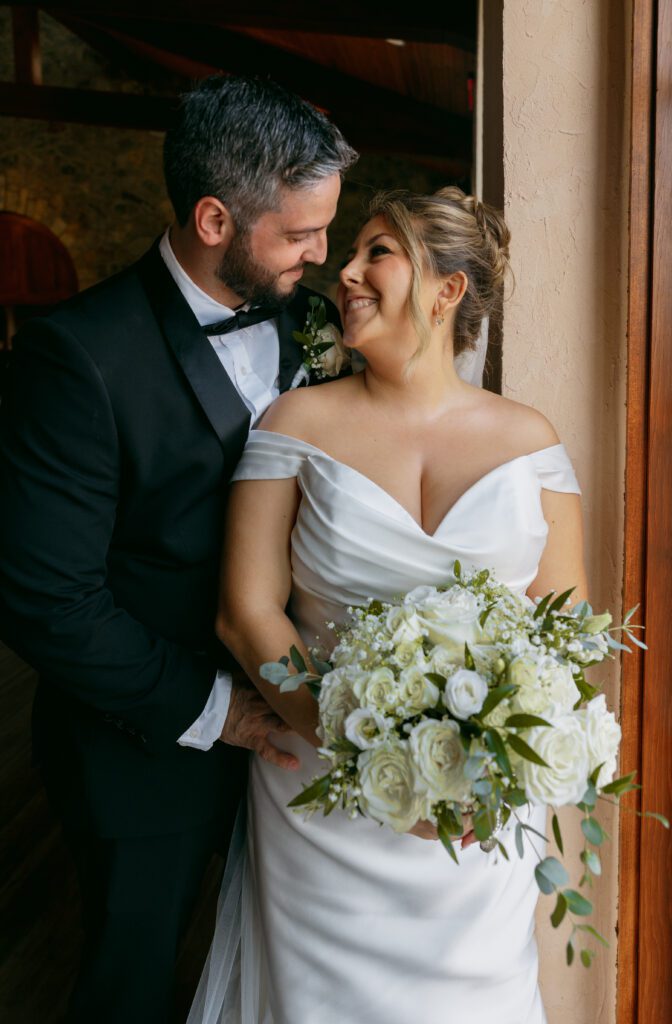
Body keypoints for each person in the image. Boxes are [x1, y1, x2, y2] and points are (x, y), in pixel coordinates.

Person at [0, 75, 357, 1023]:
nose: (324, 257)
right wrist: (223, 713)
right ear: (213, 219)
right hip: (144, 747)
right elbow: (47, 602)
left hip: (296, 741)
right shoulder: (77, 357)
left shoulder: (312, 321)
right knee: (136, 981)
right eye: (299, 235)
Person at [190, 187, 588, 1023]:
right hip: (325, 799)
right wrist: (365, 748)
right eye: (353, 253)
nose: (347, 272)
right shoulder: (293, 423)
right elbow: (246, 610)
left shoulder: (531, 443)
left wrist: (491, 770)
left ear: (448, 290)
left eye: (378, 252)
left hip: (478, 821)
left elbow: (566, 631)